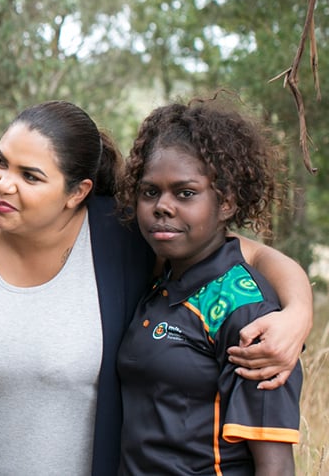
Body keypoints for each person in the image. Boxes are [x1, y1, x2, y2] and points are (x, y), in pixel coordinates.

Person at [0, 100, 312, 475]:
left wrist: (298, 312)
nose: (5, 183)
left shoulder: (121, 239)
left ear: (77, 192)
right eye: (1, 163)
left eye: (31, 175)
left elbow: (246, 254)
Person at [115, 101, 301, 475]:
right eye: (150, 192)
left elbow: (276, 467)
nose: (162, 207)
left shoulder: (246, 310)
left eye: (185, 193)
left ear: (226, 202)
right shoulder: (157, 279)